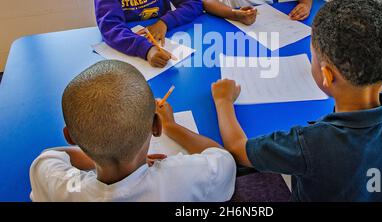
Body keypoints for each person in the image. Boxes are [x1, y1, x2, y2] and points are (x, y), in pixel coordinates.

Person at [211, 0, 382, 201]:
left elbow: (238, 149)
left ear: (328, 75)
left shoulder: (311, 143)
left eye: (312, 58)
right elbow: (375, 72)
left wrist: (223, 101)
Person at [30, 60, 236, 201]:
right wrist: (172, 126)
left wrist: (107, 154)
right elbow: (223, 157)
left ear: (70, 137)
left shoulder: (60, 186)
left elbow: (49, 157)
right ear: (156, 126)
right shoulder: (188, 176)